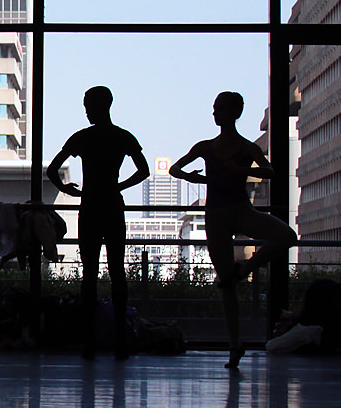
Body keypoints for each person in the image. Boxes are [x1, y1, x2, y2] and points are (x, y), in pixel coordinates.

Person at [169, 91, 296, 369]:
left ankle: (246, 272)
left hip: (236, 211)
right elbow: (175, 169)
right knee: (226, 284)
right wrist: (191, 176)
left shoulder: (243, 147)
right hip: (219, 215)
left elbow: (270, 171)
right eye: (215, 108)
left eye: (219, 108)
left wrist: (233, 171)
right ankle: (235, 345)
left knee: (287, 236)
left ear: (233, 113)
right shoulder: (210, 146)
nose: (215, 113)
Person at [47, 86, 149, 360]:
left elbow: (52, 169)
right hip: (113, 205)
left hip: (90, 205)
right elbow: (144, 170)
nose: (86, 110)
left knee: (89, 272)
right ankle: (121, 342)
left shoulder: (82, 138)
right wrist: (118, 186)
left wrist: (67, 189)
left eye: (87, 105)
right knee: (117, 270)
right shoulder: (122, 136)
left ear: (92, 106)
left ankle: (90, 343)